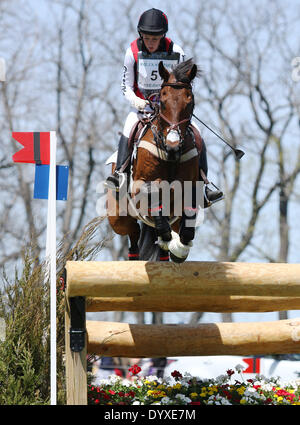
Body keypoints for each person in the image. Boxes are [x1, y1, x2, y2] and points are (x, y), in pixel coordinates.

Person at [105, 8, 223, 206]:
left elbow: (184, 85)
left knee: (198, 134)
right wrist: (138, 102)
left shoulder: (177, 52)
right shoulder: (132, 52)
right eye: (147, 38)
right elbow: (125, 87)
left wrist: (175, 105)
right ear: (141, 34)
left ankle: (204, 184)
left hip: (171, 112)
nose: (151, 43)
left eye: (155, 39)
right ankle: (120, 174)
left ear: (163, 36)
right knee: (128, 126)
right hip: (143, 108)